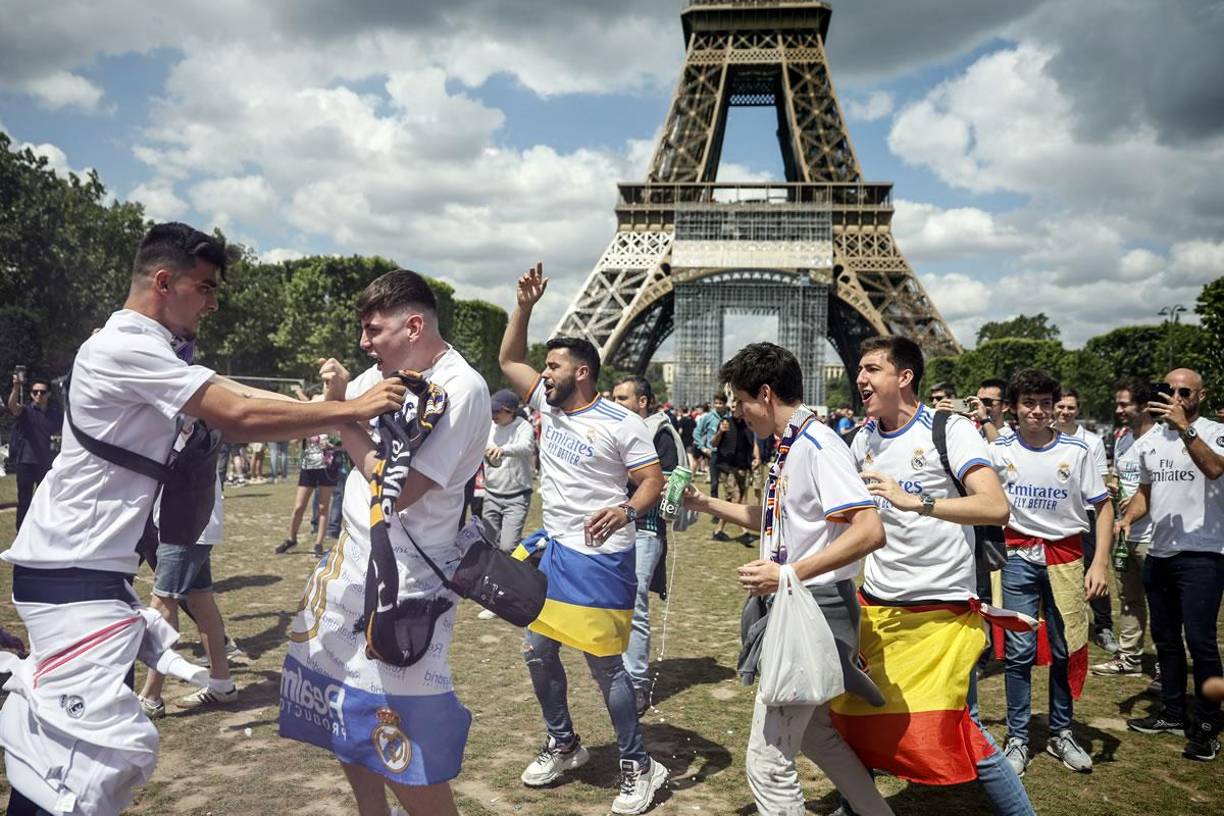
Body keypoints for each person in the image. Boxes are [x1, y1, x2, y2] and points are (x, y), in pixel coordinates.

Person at [0, 222, 407, 816]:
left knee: (72, 759)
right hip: (73, 572)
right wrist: (352, 408)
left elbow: (232, 395)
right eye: (206, 287)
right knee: (83, 769)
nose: (214, 302)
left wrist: (328, 409)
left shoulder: (142, 347)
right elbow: (237, 412)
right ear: (164, 281)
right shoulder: (125, 347)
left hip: (82, 570)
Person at [281, 268, 489, 816]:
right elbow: (343, 422)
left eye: (374, 330)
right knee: (341, 713)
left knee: (400, 734)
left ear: (414, 325)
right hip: (350, 559)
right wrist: (338, 399)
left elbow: (401, 491)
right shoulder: (381, 375)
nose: (364, 343)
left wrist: (343, 414)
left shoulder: (462, 389)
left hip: (405, 582)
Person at [684, 342, 893, 816]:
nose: (737, 413)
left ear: (765, 394)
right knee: (816, 735)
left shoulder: (818, 446)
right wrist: (706, 504)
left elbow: (870, 529)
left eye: (740, 401)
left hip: (813, 610)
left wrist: (787, 574)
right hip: (807, 607)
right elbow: (778, 520)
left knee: (767, 760)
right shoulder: (792, 445)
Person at [499, 263, 668, 815]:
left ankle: (638, 764)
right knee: (537, 651)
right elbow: (508, 361)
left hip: (602, 557)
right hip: (554, 546)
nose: (544, 374)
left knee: (604, 666)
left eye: (554, 366)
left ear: (584, 372)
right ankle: (564, 742)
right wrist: (523, 306)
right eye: (545, 366)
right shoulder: (545, 405)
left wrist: (624, 510)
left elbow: (651, 483)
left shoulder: (623, 423)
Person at [840, 335, 1034, 814]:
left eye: (871, 369)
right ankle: (857, 805)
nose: (860, 379)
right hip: (879, 607)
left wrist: (917, 502)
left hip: (941, 612)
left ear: (903, 377)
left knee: (960, 727)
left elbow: (995, 506)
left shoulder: (949, 430)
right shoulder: (861, 438)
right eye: (860, 370)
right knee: (858, 717)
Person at [990, 368, 1112, 776]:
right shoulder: (998, 449)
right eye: (1029, 404)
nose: (1038, 412)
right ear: (1014, 408)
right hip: (1017, 557)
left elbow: (1104, 506)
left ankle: (1061, 732)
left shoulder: (1077, 452)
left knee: (1065, 648)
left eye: (1045, 404)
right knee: (1019, 652)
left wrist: (1099, 563)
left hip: (1066, 557)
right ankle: (1018, 738)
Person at [1120, 368, 1223, 762]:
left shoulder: (1213, 432)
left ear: (1201, 395)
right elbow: (1147, 491)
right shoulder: (1151, 441)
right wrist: (1129, 517)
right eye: (1170, 390)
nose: (1176, 396)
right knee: (1165, 641)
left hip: (1204, 554)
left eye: (1185, 391)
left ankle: (1208, 724)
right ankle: (1173, 713)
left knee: (1201, 642)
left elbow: (1214, 468)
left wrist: (1185, 429)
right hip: (1159, 552)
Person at [137, 460, 235, 717]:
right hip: (188, 520)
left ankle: (151, 697)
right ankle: (222, 684)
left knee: (162, 605)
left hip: (184, 523)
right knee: (200, 602)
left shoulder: (189, 422)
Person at [611, 375, 684, 714]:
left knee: (634, 603)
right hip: (614, 528)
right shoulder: (614, 433)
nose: (615, 403)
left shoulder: (660, 434)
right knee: (615, 603)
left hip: (645, 528)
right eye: (613, 397)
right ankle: (620, 673)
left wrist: (631, 471)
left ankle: (637, 683)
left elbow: (669, 484)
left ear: (643, 402)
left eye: (622, 398)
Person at [1092, 379, 1157, 679]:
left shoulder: (1163, 439)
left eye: (1124, 404)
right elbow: (1121, 478)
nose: (1118, 409)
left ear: (1143, 406)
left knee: (1162, 604)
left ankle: (1165, 664)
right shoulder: (1122, 439)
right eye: (1117, 403)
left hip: (1155, 535)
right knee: (1129, 601)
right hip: (1124, 533)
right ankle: (1129, 658)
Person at [1054, 387, 1117, 654]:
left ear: (1078, 410)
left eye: (1071, 407)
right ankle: (1056, 625)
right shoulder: (1043, 437)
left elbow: (1101, 483)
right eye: (1061, 406)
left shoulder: (1091, 441)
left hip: (1086, 516)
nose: (1065, 412)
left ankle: (1103, 626)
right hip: (1055, 518)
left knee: (1093, 571)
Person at [7, 372, 62, 531]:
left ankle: (43, 532)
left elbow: (64, 432)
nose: (38, 395)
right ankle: (21, 533)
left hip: (46, 463)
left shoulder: (56, 415)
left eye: (42, 392)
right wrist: (16, 387)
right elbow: (12, 406)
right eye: (35, 392)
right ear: (31, 394)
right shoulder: (25, 411)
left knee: (46, 501)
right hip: (25, 462)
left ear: (49, 394)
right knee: (24, 500)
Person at [276, 423, 338, 558]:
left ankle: (318, 543)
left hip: (327, 467)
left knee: (323, 507)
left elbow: (340, 441)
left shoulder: (332, 421)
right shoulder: (309, 421)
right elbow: (294, 439)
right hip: (308, 467)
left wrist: (331, 445)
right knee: (299, 506)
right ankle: (291, 539)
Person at [710, 399, 753, 544]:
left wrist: (755, 460)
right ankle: (745, 531)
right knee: (736, 498)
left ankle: (718, 530)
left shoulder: (748, 424)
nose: (735, 409)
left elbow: (753, 444)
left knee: (733, 501)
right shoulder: (725, 422)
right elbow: (713, 443)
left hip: (742, 468)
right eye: (733, 407)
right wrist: (721, 432)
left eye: (738, 406)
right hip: (726, 468)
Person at [695, 394, 727, 493]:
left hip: (727, 454)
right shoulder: (708, 417)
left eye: (720, 403)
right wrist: (703, 448)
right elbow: (696, 432)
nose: (717, 405)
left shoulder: (728, 416)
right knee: (714, 483)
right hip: (713, 453)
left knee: (728, 483)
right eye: (716, 403)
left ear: (725, 404)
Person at [973, 377, 1012, 442]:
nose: (980, 406)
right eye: (978, 401)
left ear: (1005, 406)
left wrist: (984, 419)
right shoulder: (974, 430)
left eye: (987, 401)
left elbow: (998, 447)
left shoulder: (1010, 438)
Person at [676, 405, 697, 470]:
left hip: (684, 440)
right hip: (691, 440)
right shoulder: (692, 420)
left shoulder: (681, 420)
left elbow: (680, 431)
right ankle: (692, 474)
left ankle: (689, 473)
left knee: (686, 457)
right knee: (691, 457)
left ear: (681, 411)